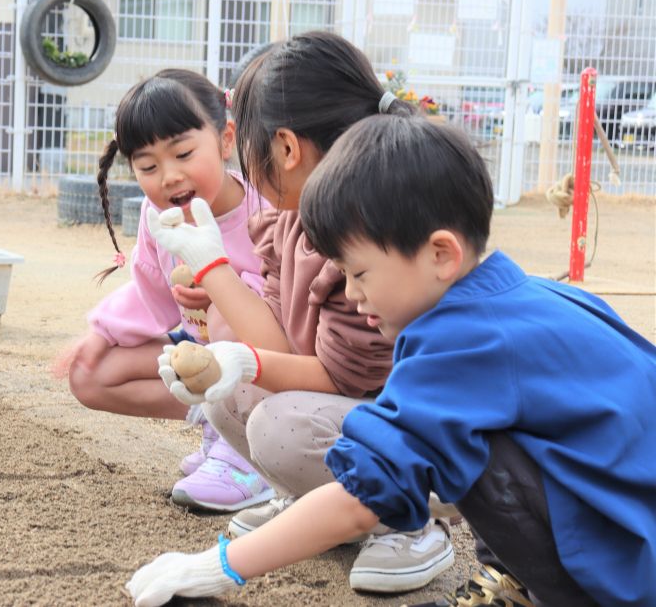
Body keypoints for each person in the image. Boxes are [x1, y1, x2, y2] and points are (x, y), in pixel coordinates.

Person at [127, 114, 656, 607]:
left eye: (360, 273)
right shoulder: (537, 298)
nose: (353, 295)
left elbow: (362, 497)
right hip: (635, 529)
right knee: (476, 434)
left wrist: (219, 566)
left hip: (628, 571)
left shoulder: (461, 342)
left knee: (467, 450)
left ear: (440, 254)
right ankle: (514, 580)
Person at [146, 31, 453, 593]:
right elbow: (279, 341)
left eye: (250, 151)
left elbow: (345, 377)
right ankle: (317, 503)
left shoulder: (364, 235)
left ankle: (407, 521)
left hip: (417, 436)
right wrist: (213, 272)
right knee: (225, 381)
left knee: (278, 425)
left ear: (286, 148)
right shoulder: (292, 218)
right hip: (353, 410)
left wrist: (238, 357)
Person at [58, 69, 275, 513]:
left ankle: (247, 457)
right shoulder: (158, 218)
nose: (170, 176)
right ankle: (221, 425)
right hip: (203, 358)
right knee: (88, 374)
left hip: (271, 369)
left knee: (223, 316)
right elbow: (150, 292)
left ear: (226, 139)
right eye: (149, 166)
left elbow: (286, 307)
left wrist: (223, 289)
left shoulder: (263, 209)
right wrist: (99, 335)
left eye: (183, 153)